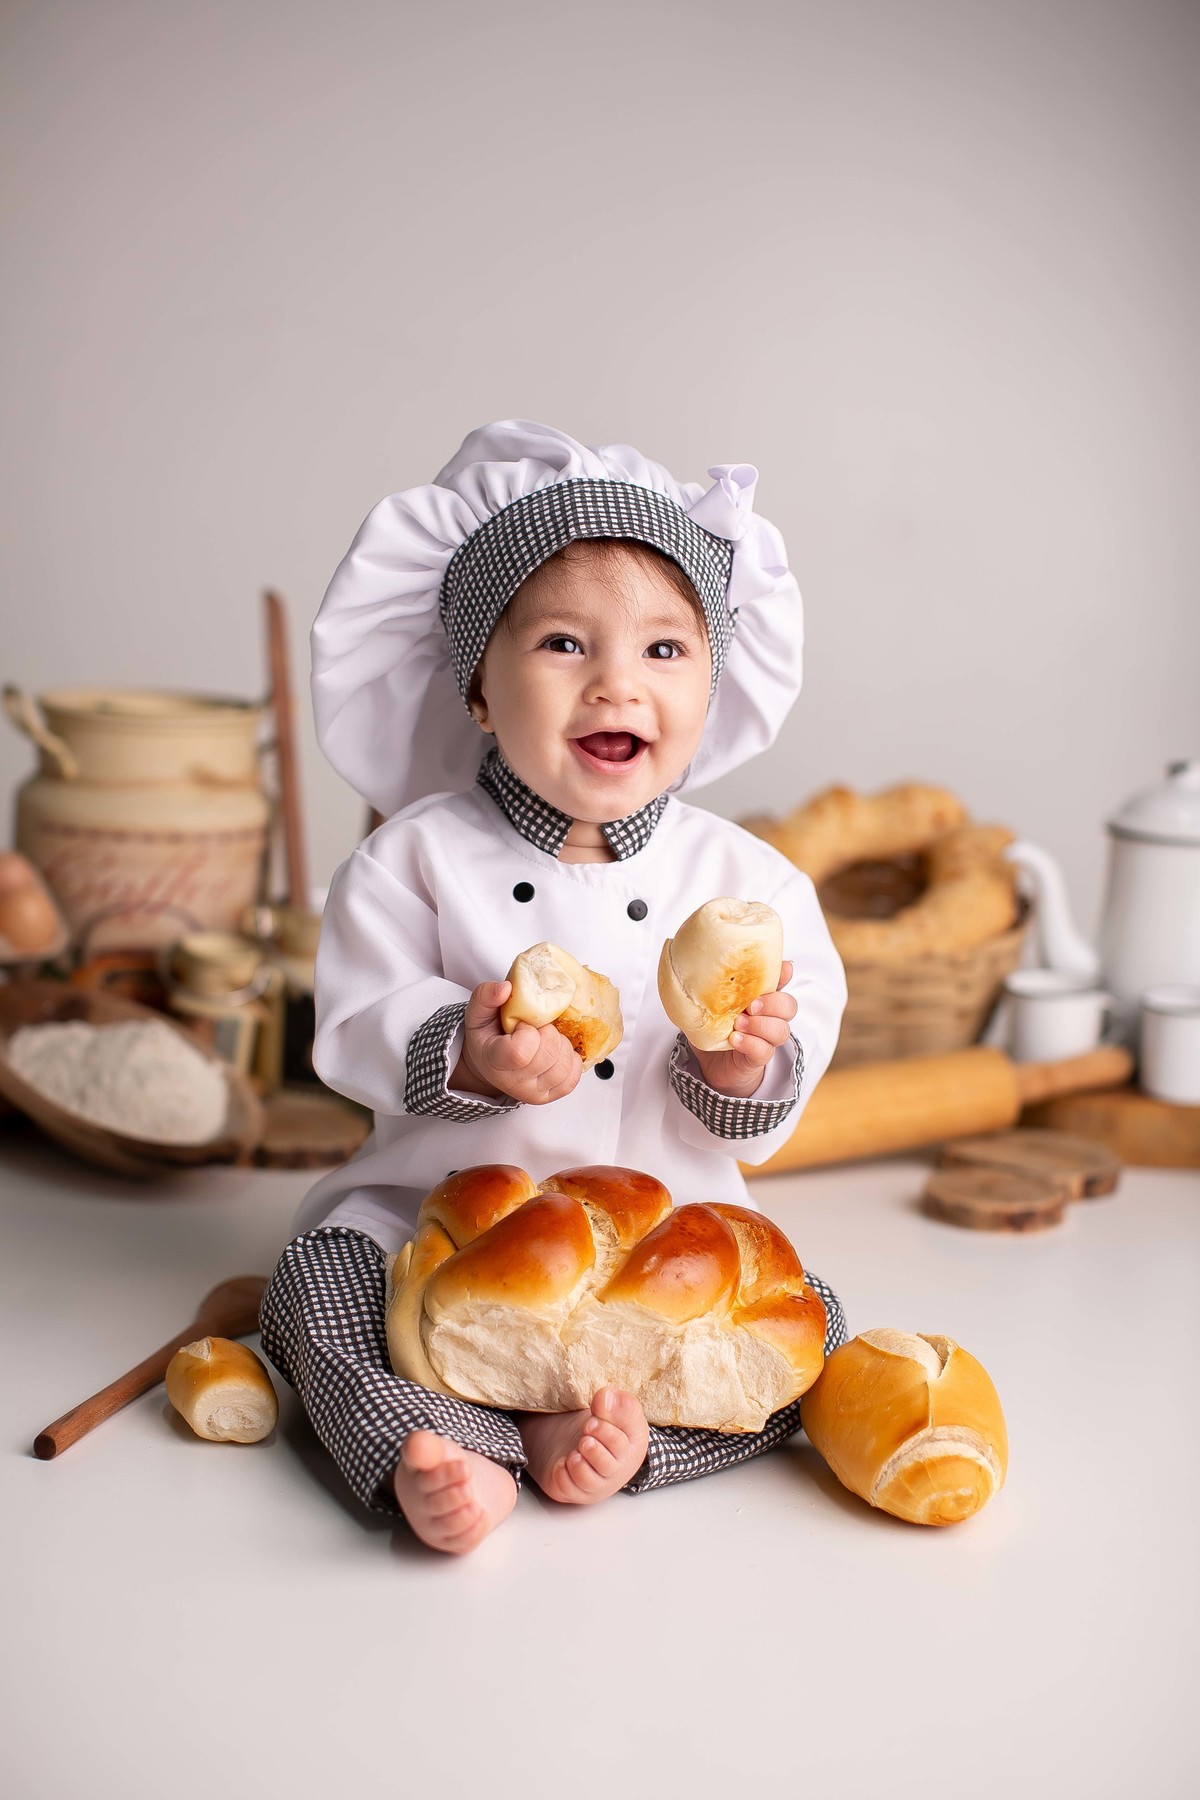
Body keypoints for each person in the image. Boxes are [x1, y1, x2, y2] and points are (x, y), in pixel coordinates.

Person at [259, 420, 849, 1553]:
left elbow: (796, 1034)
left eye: (665, 652)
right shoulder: (412, 856)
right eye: (566, 646)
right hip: (435, 1224)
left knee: (810, 1327)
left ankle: (620, 1443)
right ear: (478, 687)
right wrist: (467, 1053)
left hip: (654, 1243)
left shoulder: (747, 880)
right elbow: (353, 1023)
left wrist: (742, 1065)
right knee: (315, 1291)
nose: (617, 684)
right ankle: (437, 1445)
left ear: (713, 685)